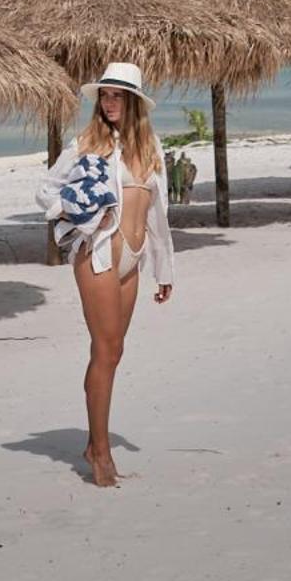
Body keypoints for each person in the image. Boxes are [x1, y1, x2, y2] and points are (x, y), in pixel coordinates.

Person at [37, 62, 174, 487]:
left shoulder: (152, 149)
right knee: (105, 348)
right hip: (98, 255)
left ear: (133, 102)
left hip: (134, 260)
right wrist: (79, 214)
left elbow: (159, 216)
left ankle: (94, 440)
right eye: (105, 96)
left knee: (112, 353)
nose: (110, 103)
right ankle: (100, 449)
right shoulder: (88, 143)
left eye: (118, 96)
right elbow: (45, 189)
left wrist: (164, 268)